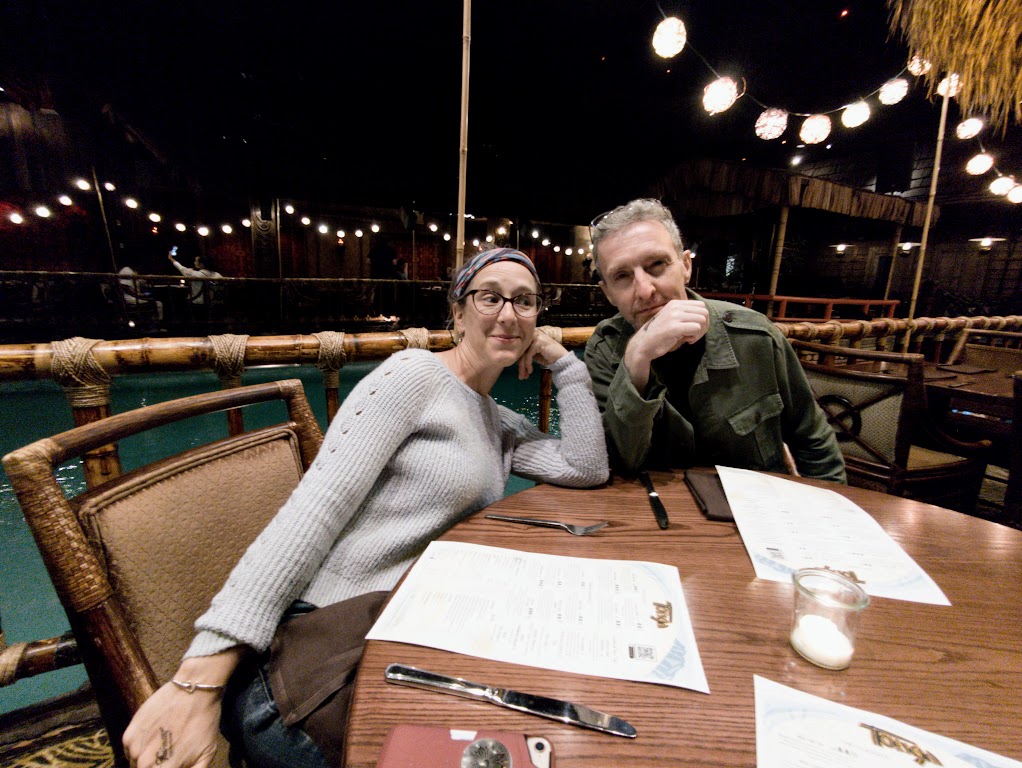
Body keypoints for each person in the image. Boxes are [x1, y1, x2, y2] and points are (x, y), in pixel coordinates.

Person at [123, 247, 609, 768]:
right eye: (490, 297)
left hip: (403, 633)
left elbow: (586, 467)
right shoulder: (412, 376)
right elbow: (314, 511)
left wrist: (565, 365)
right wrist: (199, 679)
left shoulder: (497, 420)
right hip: (318, 662)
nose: (509, 314)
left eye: (525, 301)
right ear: (458, 311)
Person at [584, 198, 845, 482]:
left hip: (761, 512)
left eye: (657, 264)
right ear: (608, 292)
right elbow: (619, 464)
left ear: (685, 266)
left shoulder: (755, 336)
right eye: (622, 276)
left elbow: (813, 442)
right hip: (655, 515)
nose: (645, 290)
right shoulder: (605, 349)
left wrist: (828, 517)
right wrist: (636, 359)